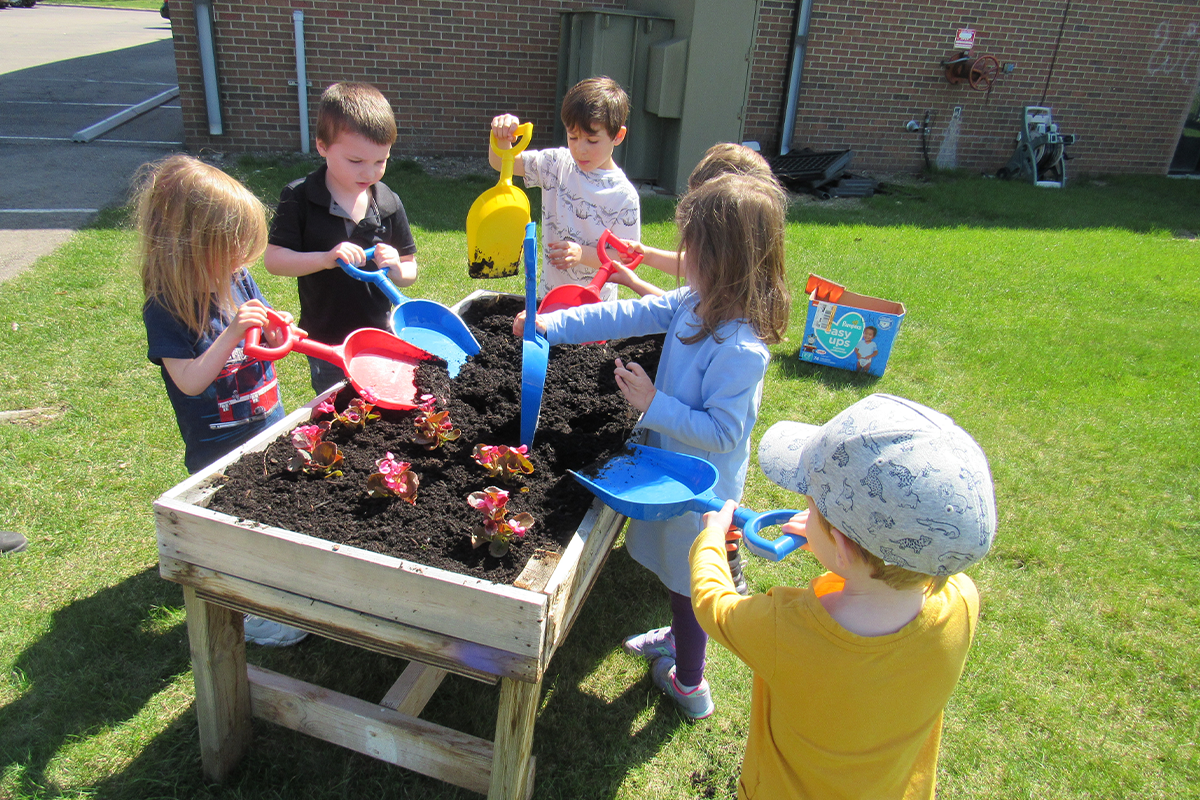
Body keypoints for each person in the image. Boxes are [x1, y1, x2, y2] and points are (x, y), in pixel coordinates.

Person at [515, 173, 791, 718]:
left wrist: (651, 402)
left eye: (694, 250)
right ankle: (681, 636)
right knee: (679, 575)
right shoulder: (697, 301)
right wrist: (551, 323)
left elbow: (723, 433)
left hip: (697, 484)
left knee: (691, 583)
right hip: (669, 465)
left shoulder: (742, 348)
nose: (684, 259)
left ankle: (691, 682)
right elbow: (626, 313)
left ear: (727, 260)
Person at [690, 393, 997, 799]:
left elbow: (714, 604)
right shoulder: (962, 601)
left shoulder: (787, 629)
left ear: (846, 549)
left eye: (813, 509)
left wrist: (711, 538)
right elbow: (882, 578)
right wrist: (831, 544)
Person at [137, 154, 308, 648]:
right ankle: (259, 608)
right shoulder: (167, 307)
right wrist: (233, 332)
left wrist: (280, 329)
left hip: (266, 420)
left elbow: (265, 331)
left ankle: (279, 590)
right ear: (188, 247)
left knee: (277, 511)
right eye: (230, 250)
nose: (241, 263)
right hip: (217, 443)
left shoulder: (236, 279)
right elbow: (190, 380)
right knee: (238, 525)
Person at [265, 81, 419, 394]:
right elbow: (275, 260)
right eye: (356, 161)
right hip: (326, 339)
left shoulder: (387, 202)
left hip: (380, 334)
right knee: (337, 406)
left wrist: (397, 268)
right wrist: (324, 258)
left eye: (381, 161)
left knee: (379, 402)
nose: (370, 173)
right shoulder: (300, 197)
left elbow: (409, 270)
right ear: (322, 146)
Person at [490, 75, 640, 302]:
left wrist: (582, 254)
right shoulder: (556, 164)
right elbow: (501, 162)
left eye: (592, 141)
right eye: (573, 137)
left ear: (617, 136)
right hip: (548, 301)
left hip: (594, 311)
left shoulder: (623, 197)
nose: (580, 149)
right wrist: (501, 136)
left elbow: (626, 261)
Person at [609, 142, 786, 299]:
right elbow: (691, 262)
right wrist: (647, 255)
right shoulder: (734, 254)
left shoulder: (729, 282)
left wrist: (634, 282)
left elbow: (680, 313)